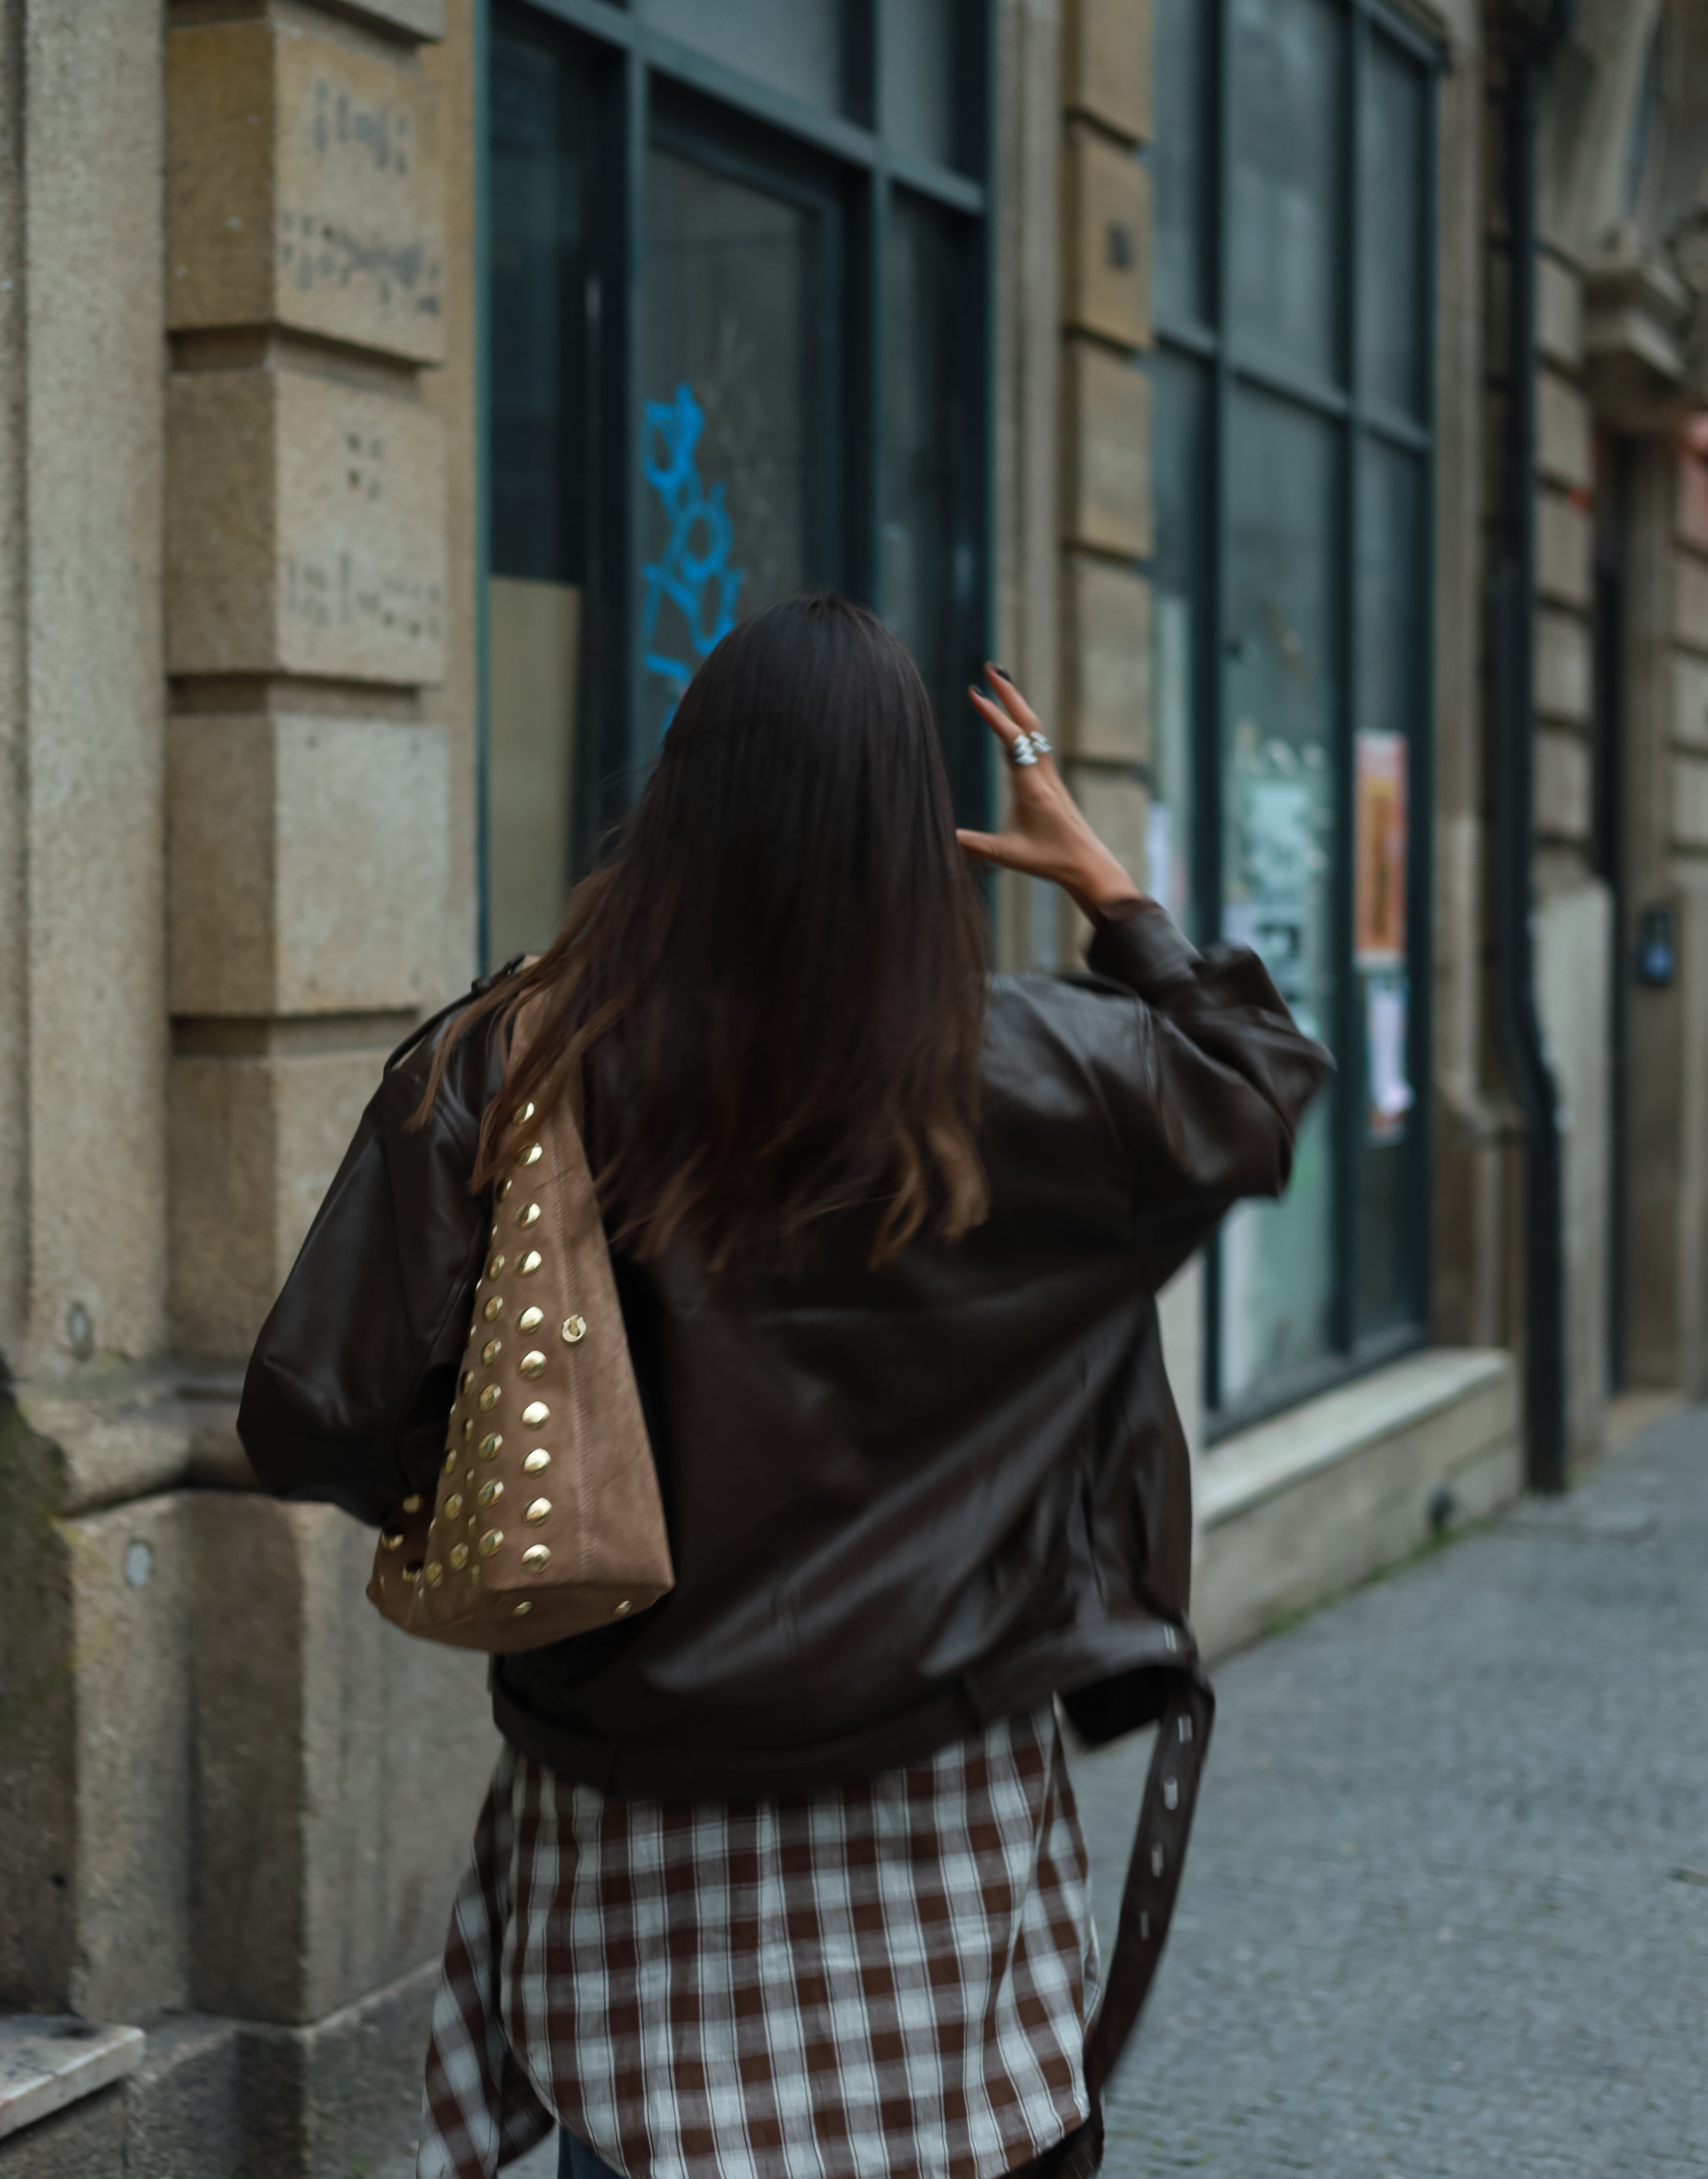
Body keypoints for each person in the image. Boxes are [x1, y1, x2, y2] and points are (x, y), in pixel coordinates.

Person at [239, 595, 1327, 2179]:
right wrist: (1105, 886)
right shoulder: (1032, 1071)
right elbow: (1257, 1084)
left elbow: (317, 1407)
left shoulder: (520, 1056)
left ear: (682, 805)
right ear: (909, 829)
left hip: (621, 1806)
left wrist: (519, 1488)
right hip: (934, 1817)